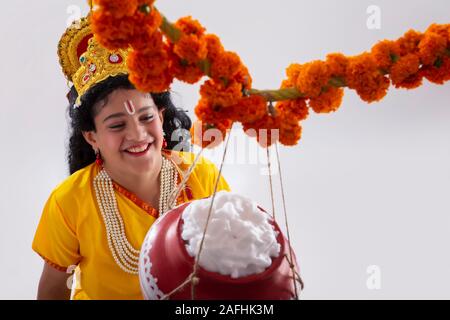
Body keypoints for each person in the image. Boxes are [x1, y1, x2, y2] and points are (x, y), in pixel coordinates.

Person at [32, 16, 230, 300]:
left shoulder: (202, 176)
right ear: (92, 137)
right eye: (116, 125)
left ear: (161, 117)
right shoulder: (69, 201)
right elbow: (51, 293)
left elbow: (232, 260)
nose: (137, 134)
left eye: (146, 117)